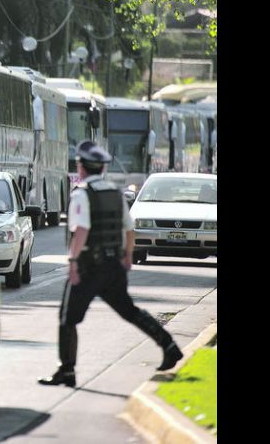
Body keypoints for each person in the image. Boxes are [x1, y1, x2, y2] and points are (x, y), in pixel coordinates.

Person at [37, 140, 183, 387]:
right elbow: (129, 228)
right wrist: (127, 255)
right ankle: (169, 346)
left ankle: (67, 370)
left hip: (88, 267)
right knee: (129, 311)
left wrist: (72, 261)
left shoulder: (82, 194)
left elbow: (81, 230)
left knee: (67, 318)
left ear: (81, 167)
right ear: (102, 169)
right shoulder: (115, 193)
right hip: (113, 266)